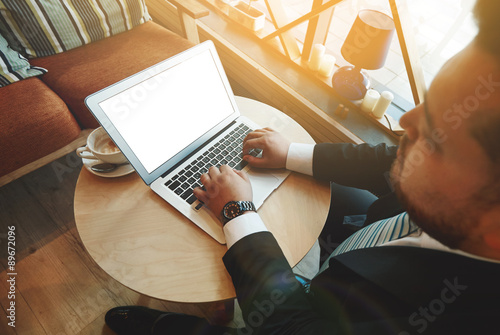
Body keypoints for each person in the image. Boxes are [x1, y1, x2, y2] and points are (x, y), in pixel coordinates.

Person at [104, 0, 500, 333]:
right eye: (427, 105)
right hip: (354, 245)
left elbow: (294, 327)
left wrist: (237, 212)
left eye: (434, 138)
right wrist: (290, 153)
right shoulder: (464, 197)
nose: (405, 124)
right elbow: (389, 159)